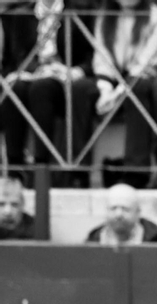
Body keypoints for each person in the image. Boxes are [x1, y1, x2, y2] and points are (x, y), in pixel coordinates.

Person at [0, 0, 97, 185]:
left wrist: (72, 70)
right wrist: (36, 69)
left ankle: (41, 165)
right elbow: (17, 55)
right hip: (33, 74)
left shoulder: (79, 10)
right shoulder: (20, 14)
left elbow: (89, 54)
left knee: (41, 88)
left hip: (65, 77)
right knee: (15, 88)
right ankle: (15, 167)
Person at [91, 0, 157, 189]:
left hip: (152, 74)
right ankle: (74, 173)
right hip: (117, 80)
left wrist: (119, 92)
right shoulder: (104, 18)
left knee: (139, 89)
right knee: (80, 90)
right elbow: (102, 58)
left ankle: (136, 170)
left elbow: (148, 61)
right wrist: (105, 89)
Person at [85, 182, 157, 244]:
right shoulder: (94, 239)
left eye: (125, 209)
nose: (119, 214)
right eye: (113, 208)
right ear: (106, 210)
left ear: (138, 212)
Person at [0, 175, 34, 240]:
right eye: (1, 204)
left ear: (22, 204)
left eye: (14, 205)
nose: (8, 211)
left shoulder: (34, 227)